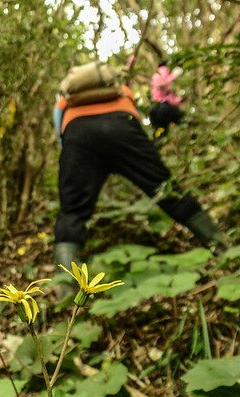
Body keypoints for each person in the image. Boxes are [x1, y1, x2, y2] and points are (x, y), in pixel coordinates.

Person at [51, 79, 224, 271]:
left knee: (72, 212)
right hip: (123, 129)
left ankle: (66, 287)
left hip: (78, 136)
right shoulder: (122, 91)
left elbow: (59, 122)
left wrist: (69, 150)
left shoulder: (68, 99)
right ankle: (223, 249)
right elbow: (136, 118)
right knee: (167, 191)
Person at [149, 61, 184, 140]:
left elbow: (170, 98)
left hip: (159, 109)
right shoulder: (160, 73)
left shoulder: (160, 77)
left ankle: (159, 138)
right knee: (181, 120)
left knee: (161, 129)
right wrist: (174, 75)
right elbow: (162, 83)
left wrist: (180, 100)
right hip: (161, 108)